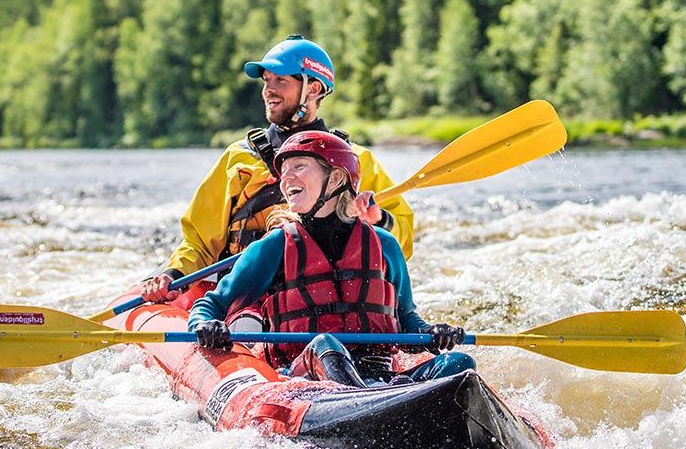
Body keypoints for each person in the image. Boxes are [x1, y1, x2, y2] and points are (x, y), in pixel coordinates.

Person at [142, 35, 414, 319]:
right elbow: (199, 241)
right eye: (266, 80)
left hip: (326, 302)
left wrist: (379, 219)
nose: (268, 90)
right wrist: (174, 274)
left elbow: (401, 242)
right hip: (248, 301)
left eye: (280, 81)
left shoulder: (354, 162)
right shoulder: (240, 160)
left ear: (313, 89)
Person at [187, 130, 475, 388]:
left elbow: (408, 319)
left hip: (380, 376)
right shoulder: (275, 246)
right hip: (305, 374)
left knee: (459, 364)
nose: (286, 179)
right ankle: (371, 403)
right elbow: (212, 304)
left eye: (299, 167)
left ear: (336, 178)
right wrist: (205, 325)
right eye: (284, 171)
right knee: (326, 344)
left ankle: (383, 397)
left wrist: (432, 333)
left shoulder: (383, 244)